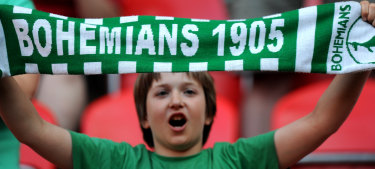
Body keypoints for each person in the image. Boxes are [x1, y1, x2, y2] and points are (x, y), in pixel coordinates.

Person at [0, 2, 374, 169]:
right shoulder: (114, 160)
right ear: (143, 116)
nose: (175, 99)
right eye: (161, 92)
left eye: (189, 91)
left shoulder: (239, 161)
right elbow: (31, 129)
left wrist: (362, 53)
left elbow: (322, 120)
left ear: (211, 109)